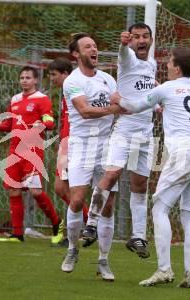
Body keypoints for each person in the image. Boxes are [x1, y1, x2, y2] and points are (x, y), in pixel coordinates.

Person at [113, 48, 190, 288]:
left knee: (159, 210)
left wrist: (118, 100)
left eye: (169, 63)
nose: (166, 66)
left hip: (183, 155)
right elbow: (176, 103)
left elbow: (135, 107)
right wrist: (160, 93)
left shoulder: (166, 89)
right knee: (189, 217)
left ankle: (164, 269)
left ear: (177, 68)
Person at [82, 23, 157, 259]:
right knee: (112, 174)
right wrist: (123, 44)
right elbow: (123, 55)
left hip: (145, 134)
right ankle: (91, 224)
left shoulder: (151, 64)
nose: (141, 40)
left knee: (140, 185)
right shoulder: (128, 59)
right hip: (124, 131)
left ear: (151, 39)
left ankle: (138, 236)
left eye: (145, 36)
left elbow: (145, 93)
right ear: (131, 41)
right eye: (136, 37)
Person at [0, 66, 64, 245]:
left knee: (36, 192)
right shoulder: (15, 100)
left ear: (36, 80)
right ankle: (17, 234)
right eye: (22, 77)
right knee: (14, 191)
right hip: (14, 152)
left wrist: (43, 123)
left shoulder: (42, 99)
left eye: (28, 78)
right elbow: (8, 125)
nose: (24, 81)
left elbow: (49, 121)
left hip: (32, 151)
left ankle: (57, 224)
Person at [60, 33, 121, 281]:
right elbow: (84, 111)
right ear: (77, 54)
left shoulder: (108, 79)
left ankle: (103, 261)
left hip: (107, 145)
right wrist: (114, 108)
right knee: (76, 200)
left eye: (95, 45)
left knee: (108, 205)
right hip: (82, 146)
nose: (94, 49)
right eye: (88, 46)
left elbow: (122, 101)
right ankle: (72, 249)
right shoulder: (72, 81)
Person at [48, 58, 90, 226]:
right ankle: (89, 222)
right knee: (60, 188)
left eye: (54, 74)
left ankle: (88, 223)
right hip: (66, 143)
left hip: (76, 144)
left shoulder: (75, 89)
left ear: (66, 74)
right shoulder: (67, 91)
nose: (51, 78)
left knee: (69, 188)